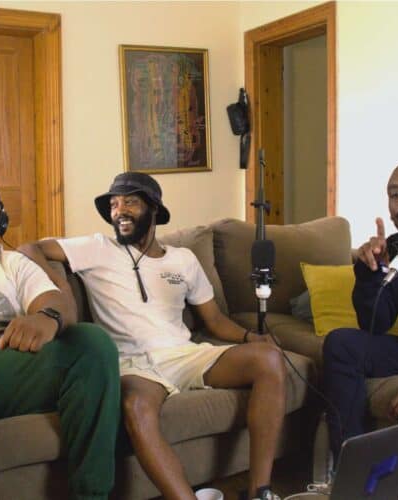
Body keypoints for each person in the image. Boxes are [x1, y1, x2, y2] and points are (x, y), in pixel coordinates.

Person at [19, 171, 287, 500]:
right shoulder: (96, 248)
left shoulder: (183, 259)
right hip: (133, 364)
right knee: (135, 406)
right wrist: (60, 287)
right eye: (114, 205)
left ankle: (260, 491)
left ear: (154, 210)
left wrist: (249, 338)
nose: (119, 211)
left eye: (130, 202)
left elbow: (215, 320)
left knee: (269, 359)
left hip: (185, 354)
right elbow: (30, 248)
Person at [0, 173, 120, 500]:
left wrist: (46, 317)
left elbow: (57, 302)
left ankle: (92, 495)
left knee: (91, 343)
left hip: (8, 368)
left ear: (0, 221)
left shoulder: (12, 262)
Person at [322, 161, 398, 463]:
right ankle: (352, 468)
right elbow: (375, 323)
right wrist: (371, 272)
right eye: (395, 195)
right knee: (342, 344)